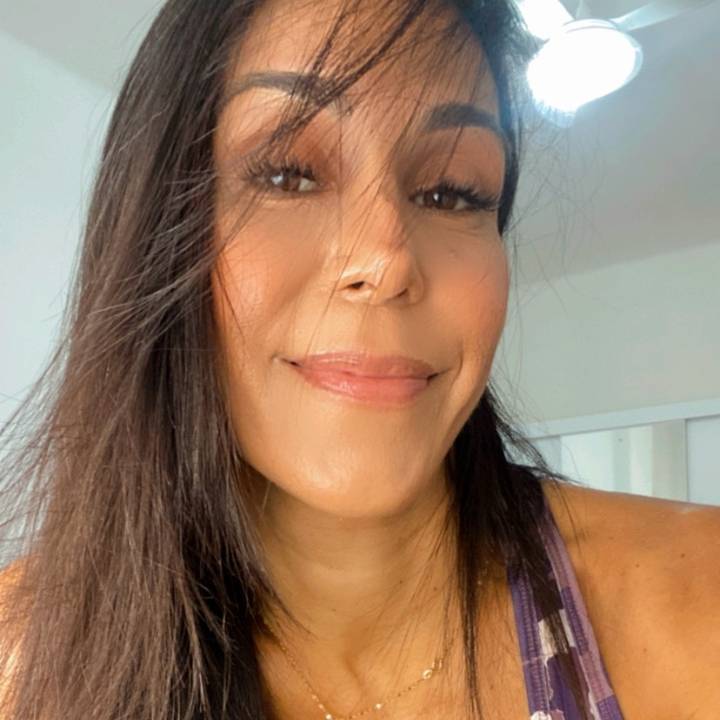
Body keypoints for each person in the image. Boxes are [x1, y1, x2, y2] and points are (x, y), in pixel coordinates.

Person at [0, 1, 718, 719]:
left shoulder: (700, 596)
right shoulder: (18, 654)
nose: (386, 259)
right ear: (158, 230)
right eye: (288, 175)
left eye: (451, 191)